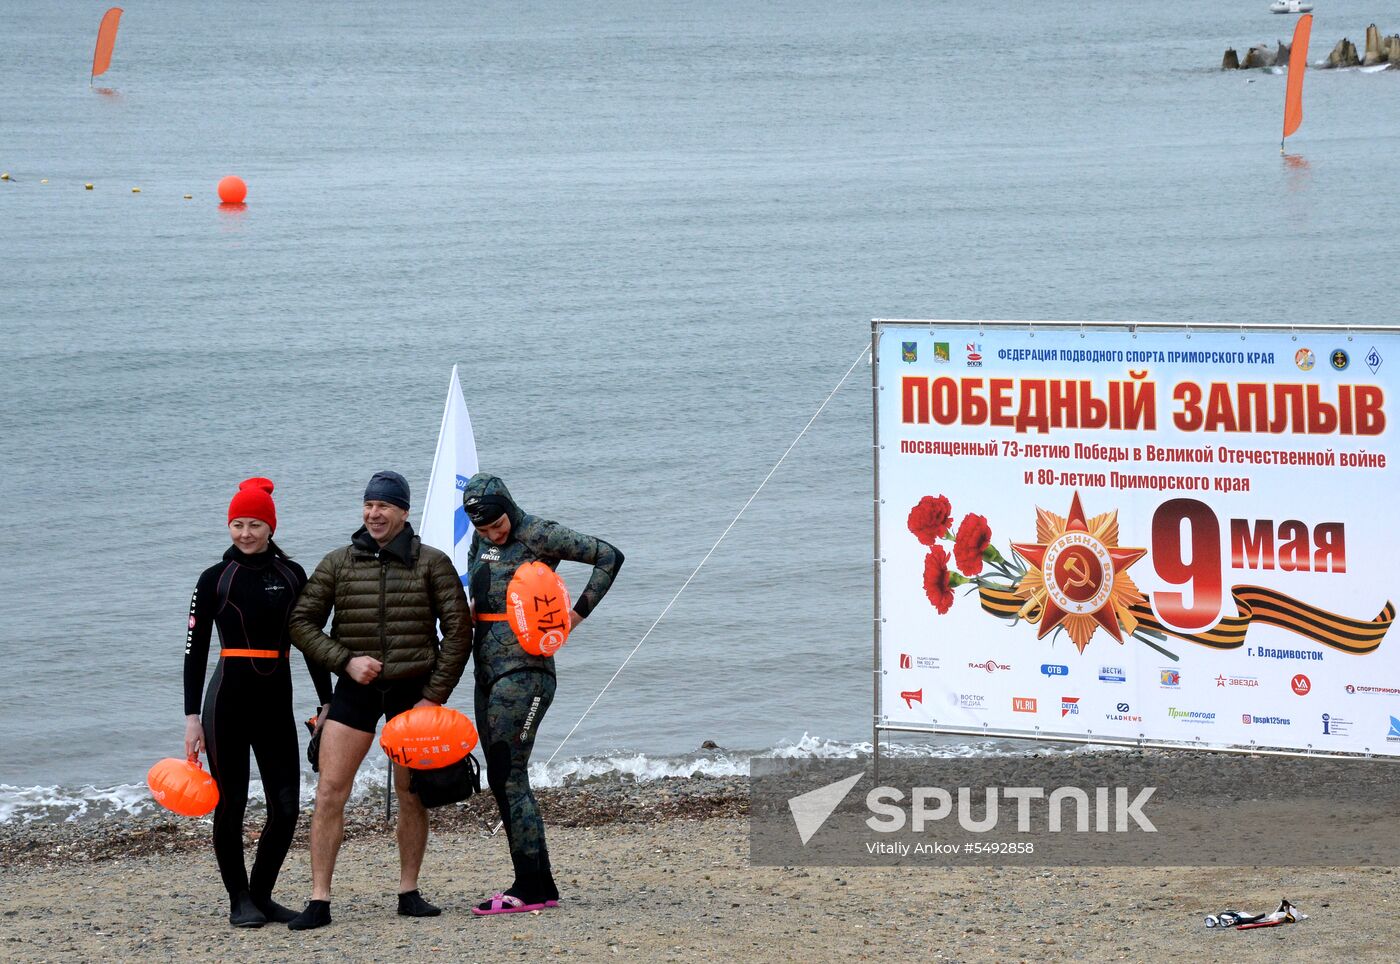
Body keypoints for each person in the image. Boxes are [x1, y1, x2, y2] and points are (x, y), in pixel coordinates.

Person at [286, 471, 471, 931]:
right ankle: (319, 899)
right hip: (356, 692)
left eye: (384, 506)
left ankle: (409, 892)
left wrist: (433, 698)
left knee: (412, 795)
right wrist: (345, 661)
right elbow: (301, 623)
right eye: (369, 505)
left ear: (403, 512)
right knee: (331, 792)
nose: (374, 513)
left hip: (413, 694)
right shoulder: (338, 563)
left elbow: (459, 632)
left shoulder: (432, 562)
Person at [461, 473, 624, 915]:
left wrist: (576, 615)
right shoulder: (480, 537)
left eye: (497, 524)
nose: (491, 533)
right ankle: (540, 883)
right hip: (486, 670)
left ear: (509, 507)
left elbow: (609, 557)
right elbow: (478, 598)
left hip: (526, 671)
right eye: (481, 528)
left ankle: (530, 886)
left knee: (508, 772)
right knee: (500, 774)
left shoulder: (540, 533)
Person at [184, 477, 335, 928]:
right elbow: (194, 651)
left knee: (286, 804)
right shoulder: (215, 579)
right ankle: (239, 899)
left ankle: (262, 895)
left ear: (271, 527)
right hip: (226, 702)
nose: (245, 533)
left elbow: (310, 643)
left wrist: (326, 702)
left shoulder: (292, 576)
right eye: (237, 524)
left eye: (254, 524)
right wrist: (192, 718)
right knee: (230, 804)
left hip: (275, 702)